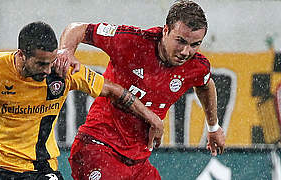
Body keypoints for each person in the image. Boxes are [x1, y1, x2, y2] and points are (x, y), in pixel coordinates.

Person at [0, 21, 163, 180]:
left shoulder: (63, 69)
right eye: (41, 64)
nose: (48, 70)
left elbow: (114, 90)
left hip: (38, 168)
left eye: (51, 62)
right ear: (21, 55)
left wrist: (151, 117)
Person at [56, 0, 226, 179]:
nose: (185, 51)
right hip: (99, 147)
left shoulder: (196, 66)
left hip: (139, 163)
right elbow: (77, 29)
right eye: (180, 41)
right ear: (165, 30)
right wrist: (65, 51)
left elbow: (206, 85)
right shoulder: (131, 41)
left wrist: (213, 127)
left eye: (194, 44)